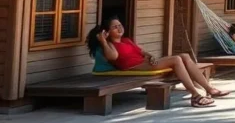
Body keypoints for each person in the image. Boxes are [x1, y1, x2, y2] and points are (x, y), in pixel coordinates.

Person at [87, 16, 227, 108]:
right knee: (176, 59)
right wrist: (103, 41)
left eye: (119, 25)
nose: (119, 28)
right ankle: (195, 96)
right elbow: (112, 57)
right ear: (107, 32)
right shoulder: (110, 45)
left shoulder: (126, 40)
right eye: (114, 27)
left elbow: (141, 52)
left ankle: (209, 89)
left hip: (144, 62)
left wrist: (150, 56)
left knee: (184, 55)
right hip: (134, 67)